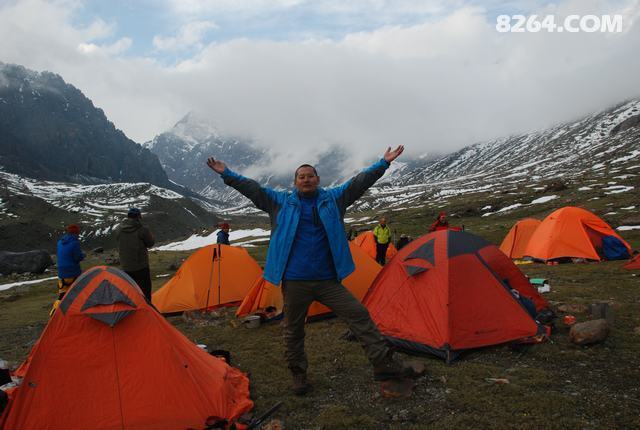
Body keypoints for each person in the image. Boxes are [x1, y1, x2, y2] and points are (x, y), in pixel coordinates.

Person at [207, 146, 422, 396]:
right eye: (301, 176)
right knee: (293, 329)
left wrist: (382, 163)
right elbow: (252, 188)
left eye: (310, 175)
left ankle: (384, 365)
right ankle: (298, 374)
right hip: (294, 282)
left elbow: (359, 183)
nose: (306, 179)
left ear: (318, 179)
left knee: (359, 314)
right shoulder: (279, 202)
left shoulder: (333, 199)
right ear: (295, 182)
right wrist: (227, 174)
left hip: (328, 281)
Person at [116, 207, 155, 301]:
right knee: (145, 291)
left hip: (126, 266)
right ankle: (147, 308)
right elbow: (150, 243)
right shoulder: (142, 229)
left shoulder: (119, 229)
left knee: (131, 291)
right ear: (138, 217)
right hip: (141, 266)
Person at [51, 224, 85, 315]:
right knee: (79, 294)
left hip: (61, 274)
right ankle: (77, 313)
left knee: (61, 296)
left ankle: (54, 314)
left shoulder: (60, 242)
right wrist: (83, 255)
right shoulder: (75, 243)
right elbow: (78, 258)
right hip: (73, 273)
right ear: (76, 233)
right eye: (78, 233)